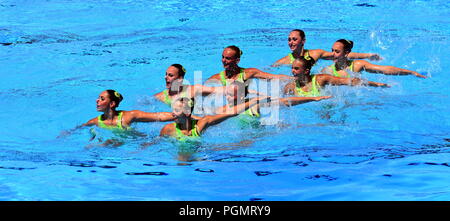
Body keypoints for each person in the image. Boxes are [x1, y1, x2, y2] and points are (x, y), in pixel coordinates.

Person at [59, 90, 176, 146]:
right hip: (120, 144)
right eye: (98, 98)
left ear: (112, 104)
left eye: (102, 99)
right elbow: (80, 128)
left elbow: (158, 117)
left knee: (109, 142)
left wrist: (179, 115)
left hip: (141, 141)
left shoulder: (128, 117)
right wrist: (67, 133)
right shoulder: (96, 122)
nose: (97, 100)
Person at [159, 95, 270, 140]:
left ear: (188, 113)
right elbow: (157, 142)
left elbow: (231, 113)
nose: (172, 113)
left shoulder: (201, 124)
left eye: (177, 110)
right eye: (173, 110)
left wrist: (253, 101)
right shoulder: (168, 129)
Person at [320, 39, 427, 78]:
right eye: (332, 50)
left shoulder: (357, 65)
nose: (332, 54)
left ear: (347, 53)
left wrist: (411, 72)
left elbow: (384, 70)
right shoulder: (327, 71)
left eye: (337, 51)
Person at [284, 57, 390, 97]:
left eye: (296, 69)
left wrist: (377, 84)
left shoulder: (321, 79)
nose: (293, 71)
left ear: (306, 70)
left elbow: (351, 81)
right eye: (292, 68)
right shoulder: (290, 87)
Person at [272, 29, 382, 67]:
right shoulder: (285, 61)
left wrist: (368, 56)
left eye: (294, 39)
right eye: (289, 39)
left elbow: (340, 55)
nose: (291, 42)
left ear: (303, 41)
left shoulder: (315, 54)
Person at [206, 45, 294, 86]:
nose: (224, 61)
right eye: (223, 57)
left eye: (228, 58)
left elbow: (273, 77)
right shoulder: (217, 78)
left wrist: (295, 79)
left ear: (237, 60)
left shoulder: (248, 73)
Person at [154, 64, 226, 106]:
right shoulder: (160, 97)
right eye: (166, 74)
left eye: (170, 75)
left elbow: (219, 90)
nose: (165, 77)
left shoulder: (193, 90)